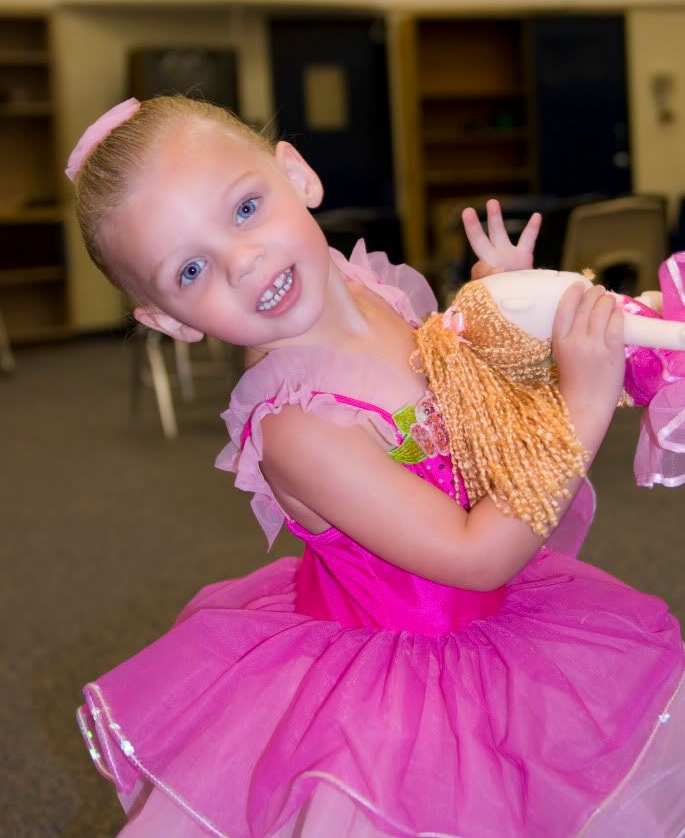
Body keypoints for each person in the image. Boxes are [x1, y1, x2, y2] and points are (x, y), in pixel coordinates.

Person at [69, 95, 684, 838]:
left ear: (296, 174)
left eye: (245, 208)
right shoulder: (298, 426)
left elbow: (468, 413)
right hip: (402, 702)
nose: (244, 260)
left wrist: (501, 323)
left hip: (501, 634)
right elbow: (477, 555)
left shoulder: (369, 286)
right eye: (191, 268)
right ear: (168, 320)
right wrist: (580, 408)